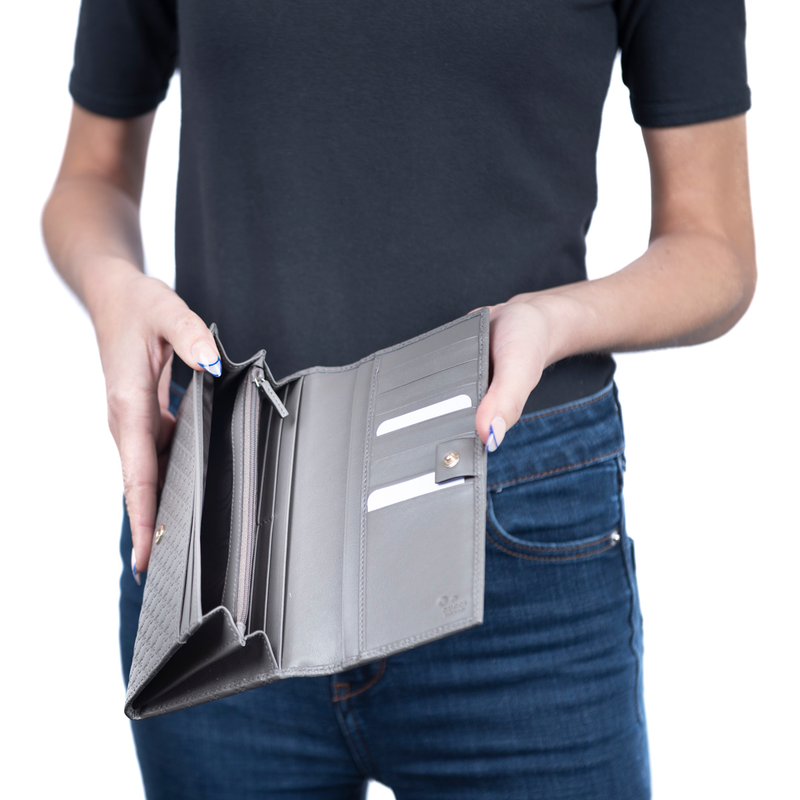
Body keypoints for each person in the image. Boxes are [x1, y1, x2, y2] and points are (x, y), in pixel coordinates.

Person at [42, 1, 755, 797]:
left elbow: (715, 248)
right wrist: (113, 289)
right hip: (228, 524)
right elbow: (90, 175)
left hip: (510, 519)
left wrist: (556, 320)